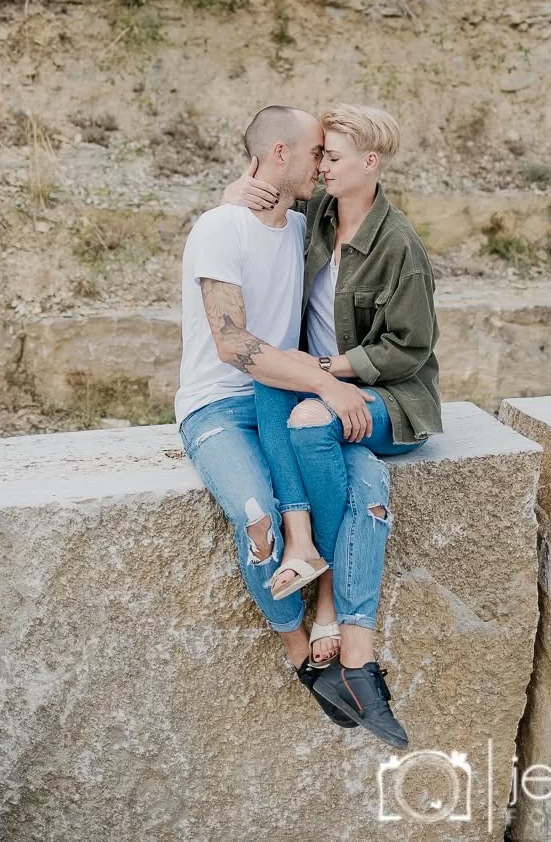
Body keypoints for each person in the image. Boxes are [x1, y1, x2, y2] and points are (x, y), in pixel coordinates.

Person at [223, 103, 443, 749]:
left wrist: (326, 371)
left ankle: (322, 599)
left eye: (332, 157)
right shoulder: (317, 213)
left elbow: (409, 348)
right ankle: (358, 665)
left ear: (370, 164)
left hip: (389, 398)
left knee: (310, 420)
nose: (320, 166)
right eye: (319, 155)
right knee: (359, 477)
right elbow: (252, 204)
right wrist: (233, 192)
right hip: (322, 393)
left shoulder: (399, 245)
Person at [174, 104, 386, 730]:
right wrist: (324, 381)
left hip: (290, 401)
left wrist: (326, 385)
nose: (323, 165)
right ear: (279, 154)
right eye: (316, 152)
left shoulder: (304, 229)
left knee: (365, 484)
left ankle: (341, 628)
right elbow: (232, 343)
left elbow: (366, 198)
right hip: (217, 405)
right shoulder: (219, 228)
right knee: (257, 516)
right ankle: (301, 653)